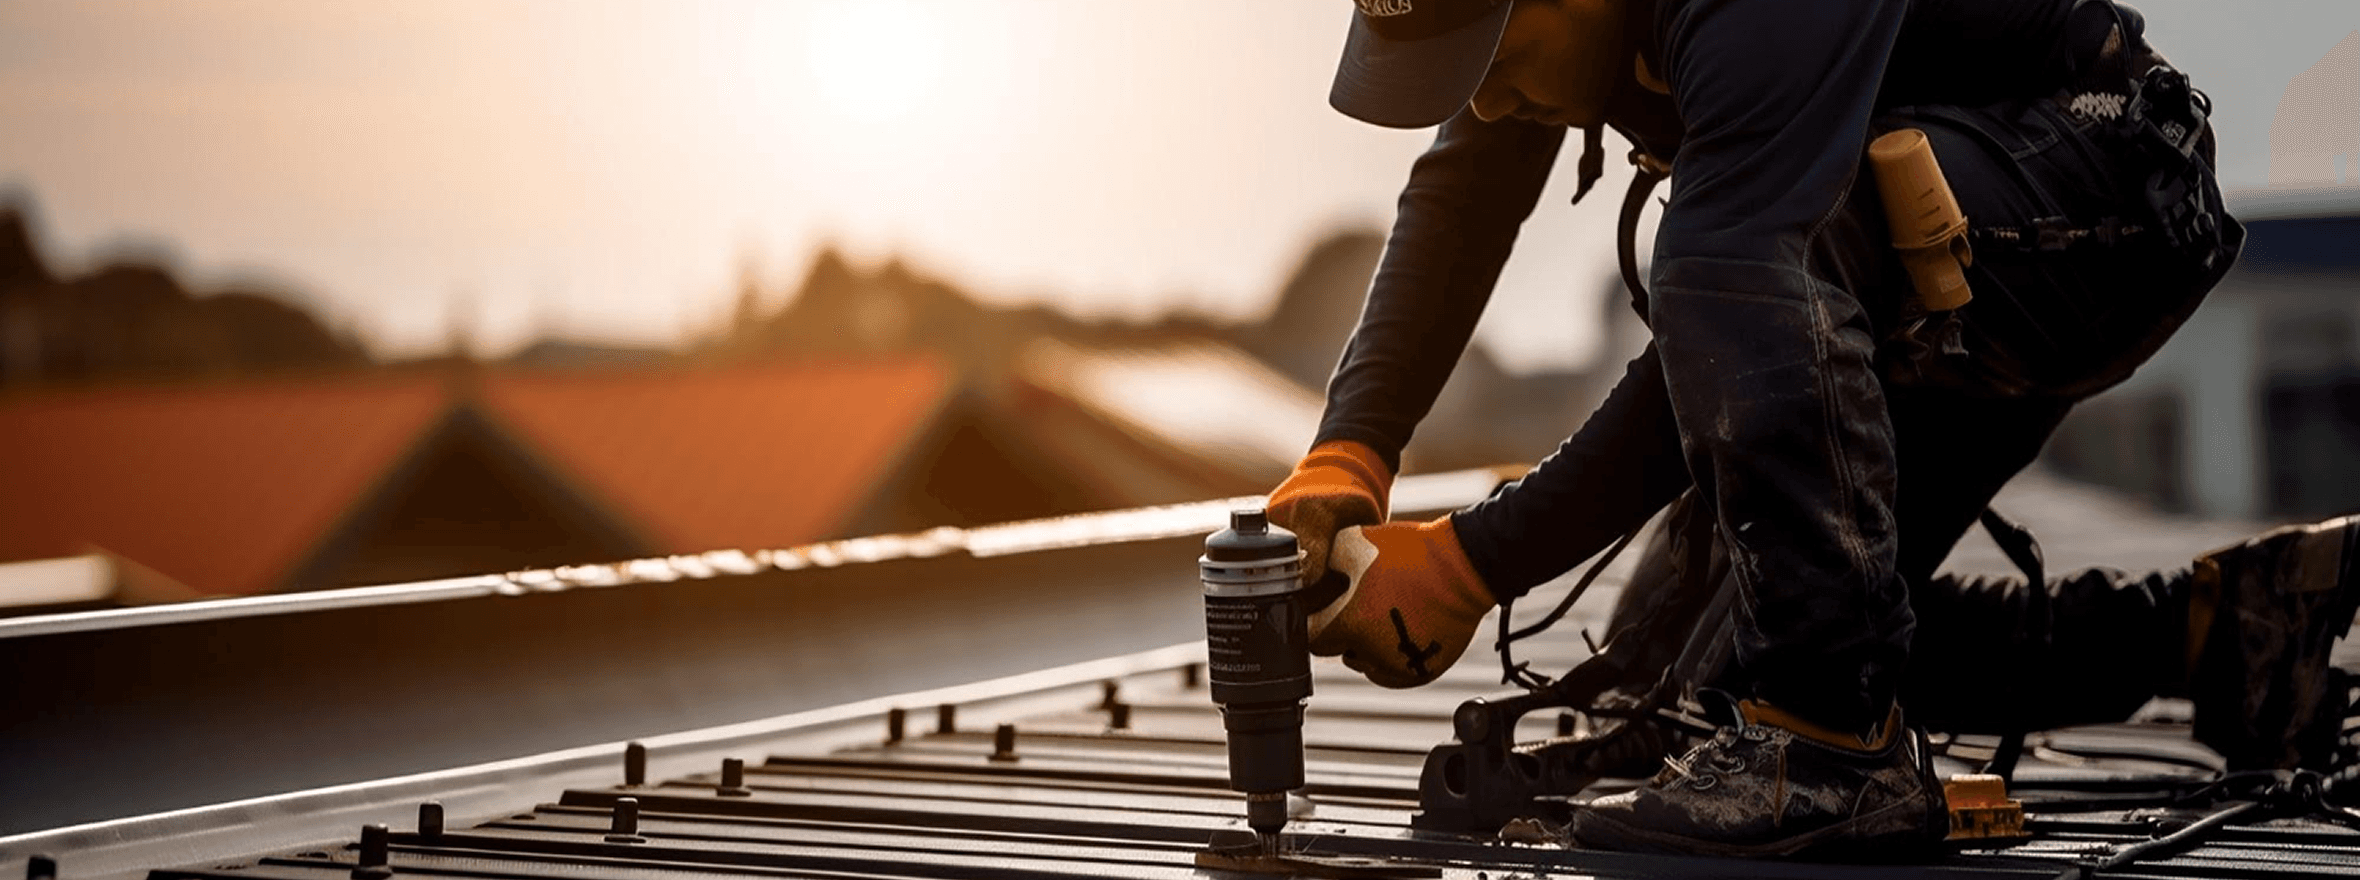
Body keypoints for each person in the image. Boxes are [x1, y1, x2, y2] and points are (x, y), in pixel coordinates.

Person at [1266, 0, 2353, 857]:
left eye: (1494, 63)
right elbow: (1459, 200)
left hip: (2100, 191)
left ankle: (1832, 752)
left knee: (1735, 261)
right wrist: (1345, 456)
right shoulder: (1539, 37)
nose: (1492, 106)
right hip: (1937, 258)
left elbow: (1736, 286)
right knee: (1698, 684)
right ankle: (2219, 635)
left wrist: (1470, 562)